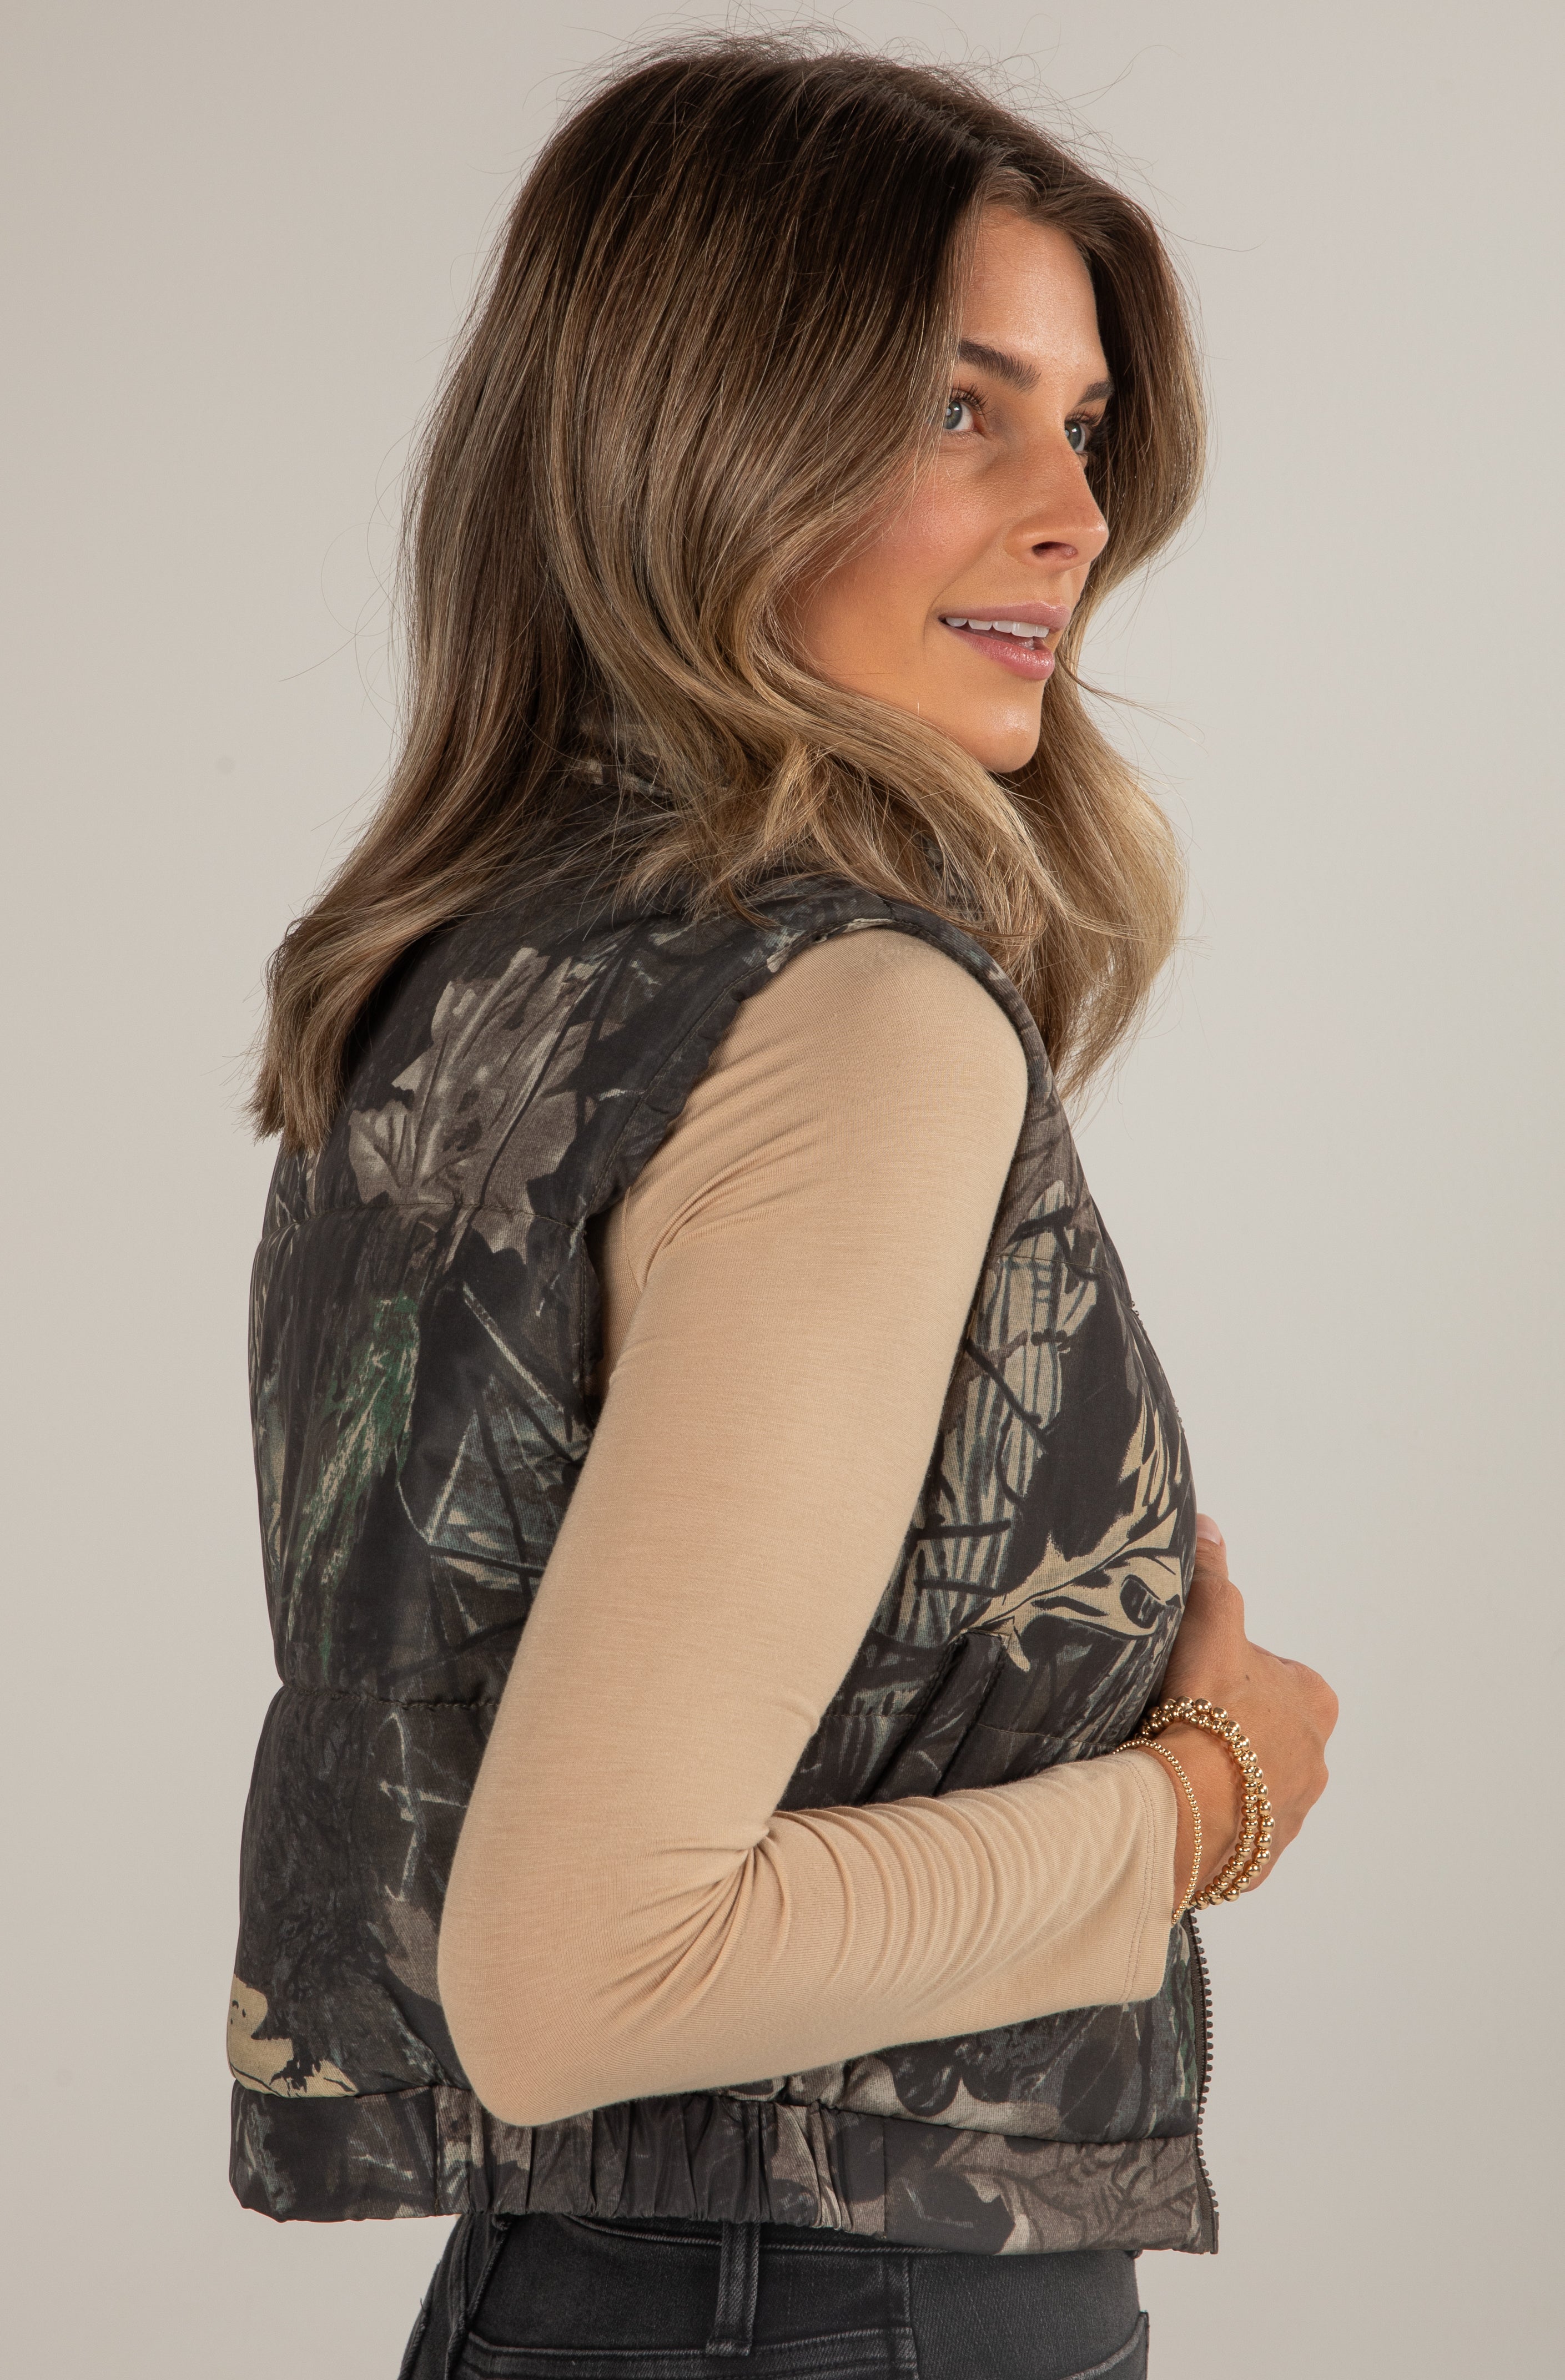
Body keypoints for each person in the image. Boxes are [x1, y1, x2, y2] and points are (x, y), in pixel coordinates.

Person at [230, 37, 1337, 2378]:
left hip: (615, 2302)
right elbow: (578, 1972)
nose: (1072, 513)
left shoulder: (476, 970)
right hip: (840, 2319)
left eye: (1085, 425)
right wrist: (1205, 1796)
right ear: (701, 438)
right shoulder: (851, 1013)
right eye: (962, 409)